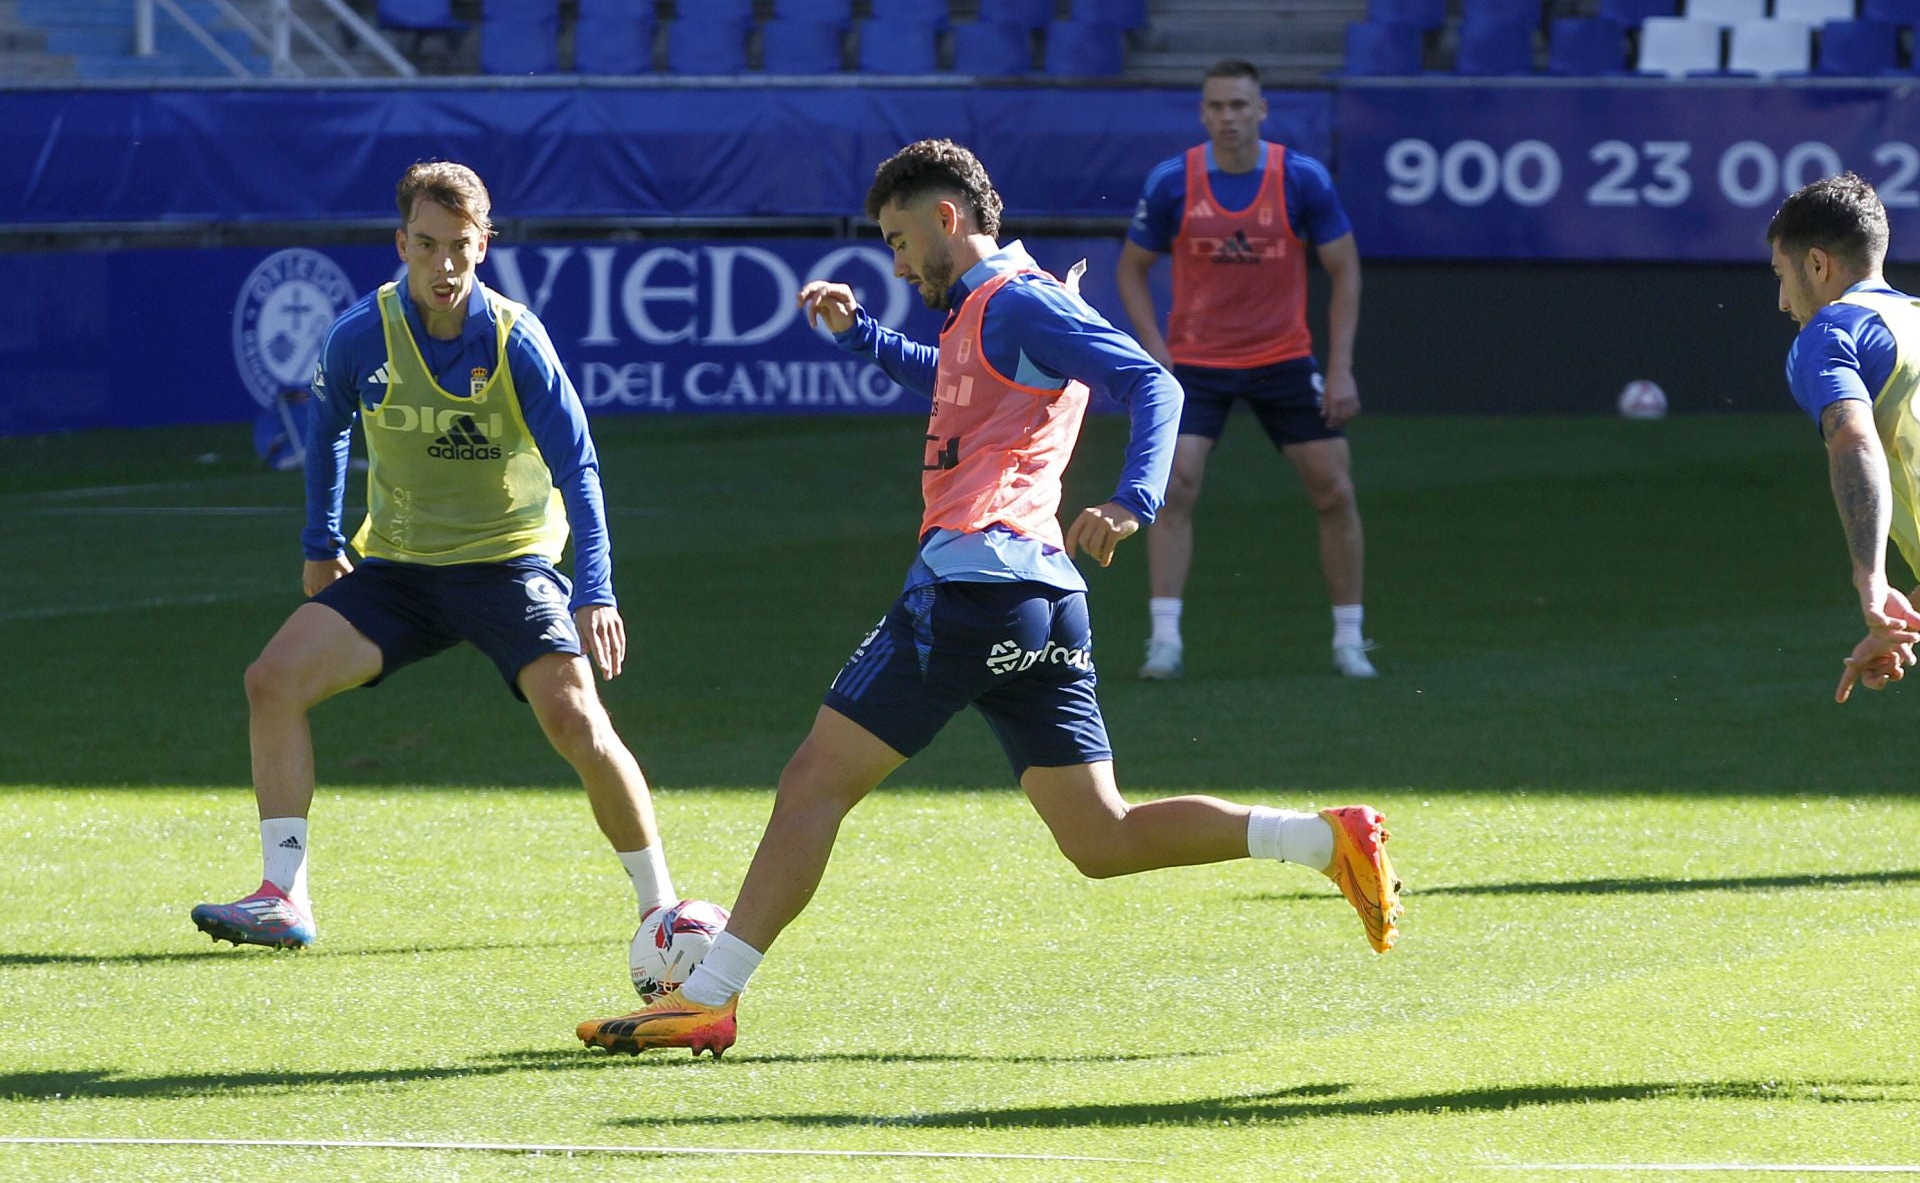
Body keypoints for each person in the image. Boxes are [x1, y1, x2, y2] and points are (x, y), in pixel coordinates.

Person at [574, 139, 1402, 1059]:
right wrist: (861, 339)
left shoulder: (1020, 300)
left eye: (896, 240)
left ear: (946, 219)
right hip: (1042, 601)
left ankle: (711, 995)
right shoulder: (987, 311)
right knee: (1100, 835)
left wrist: (1134, 500)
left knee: (815, 780)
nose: (894, 263)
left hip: (970, 591)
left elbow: (1153, 383)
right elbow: (956, 388)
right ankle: (1326, 841)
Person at [191, 161, 678, 950]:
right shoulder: (360, 333)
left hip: (509, 563)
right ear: (401, 243)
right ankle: (284, 894)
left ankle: (662, 909)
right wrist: (321, 543)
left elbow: (578, 469)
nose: (443, 265)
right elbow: (329, 431)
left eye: (459, 246)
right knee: (271, 682)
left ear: (485, 244)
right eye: (426, 245)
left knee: (577, 718)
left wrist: (596, 589)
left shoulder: (519, 343)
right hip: (400, 571)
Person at [1114, 58, 1374, 681]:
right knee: (1173, 487)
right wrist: (1153, 347)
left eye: (1239, 105)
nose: (1228, 117)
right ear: (1203, 114)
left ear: (1262, 110)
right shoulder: (1174, 181)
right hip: (1197, 362)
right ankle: (1166, 641)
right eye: (1216, 107)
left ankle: (1349, 640)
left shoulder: (1300, 179)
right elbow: (1130, 268)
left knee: (1334, 489)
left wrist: (1339, 369)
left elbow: (1346, 269)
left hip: (1283, 358)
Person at [1769, 171, 1920, 704]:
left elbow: (1853, 442)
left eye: (1782, 276)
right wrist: (1908, 622)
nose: (1784, 302)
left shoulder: (1830, 333)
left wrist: (1870, 579)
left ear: (1817, 264)